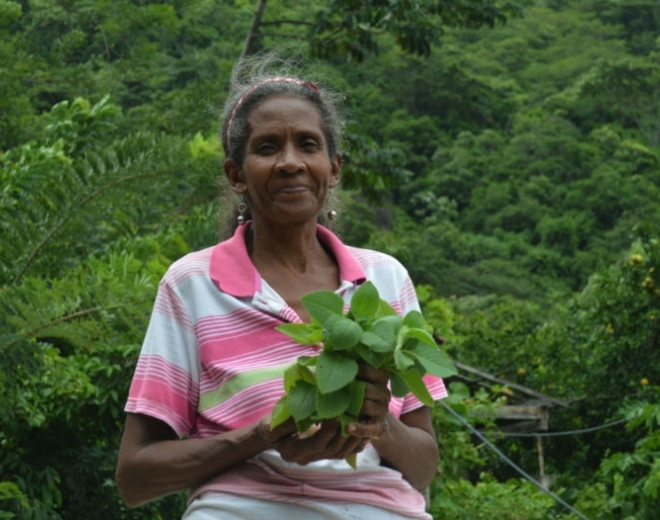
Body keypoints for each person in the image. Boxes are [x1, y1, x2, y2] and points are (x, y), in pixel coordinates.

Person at [115, 55, 448, 520]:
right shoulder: (192, 285)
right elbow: (134, 477)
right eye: (268, 147)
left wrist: (380, 425)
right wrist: (262, 435)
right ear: (237, 175)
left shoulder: (383, 278)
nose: (290, 162)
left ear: (332, 169)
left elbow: (424, 466)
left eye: (307, 145)